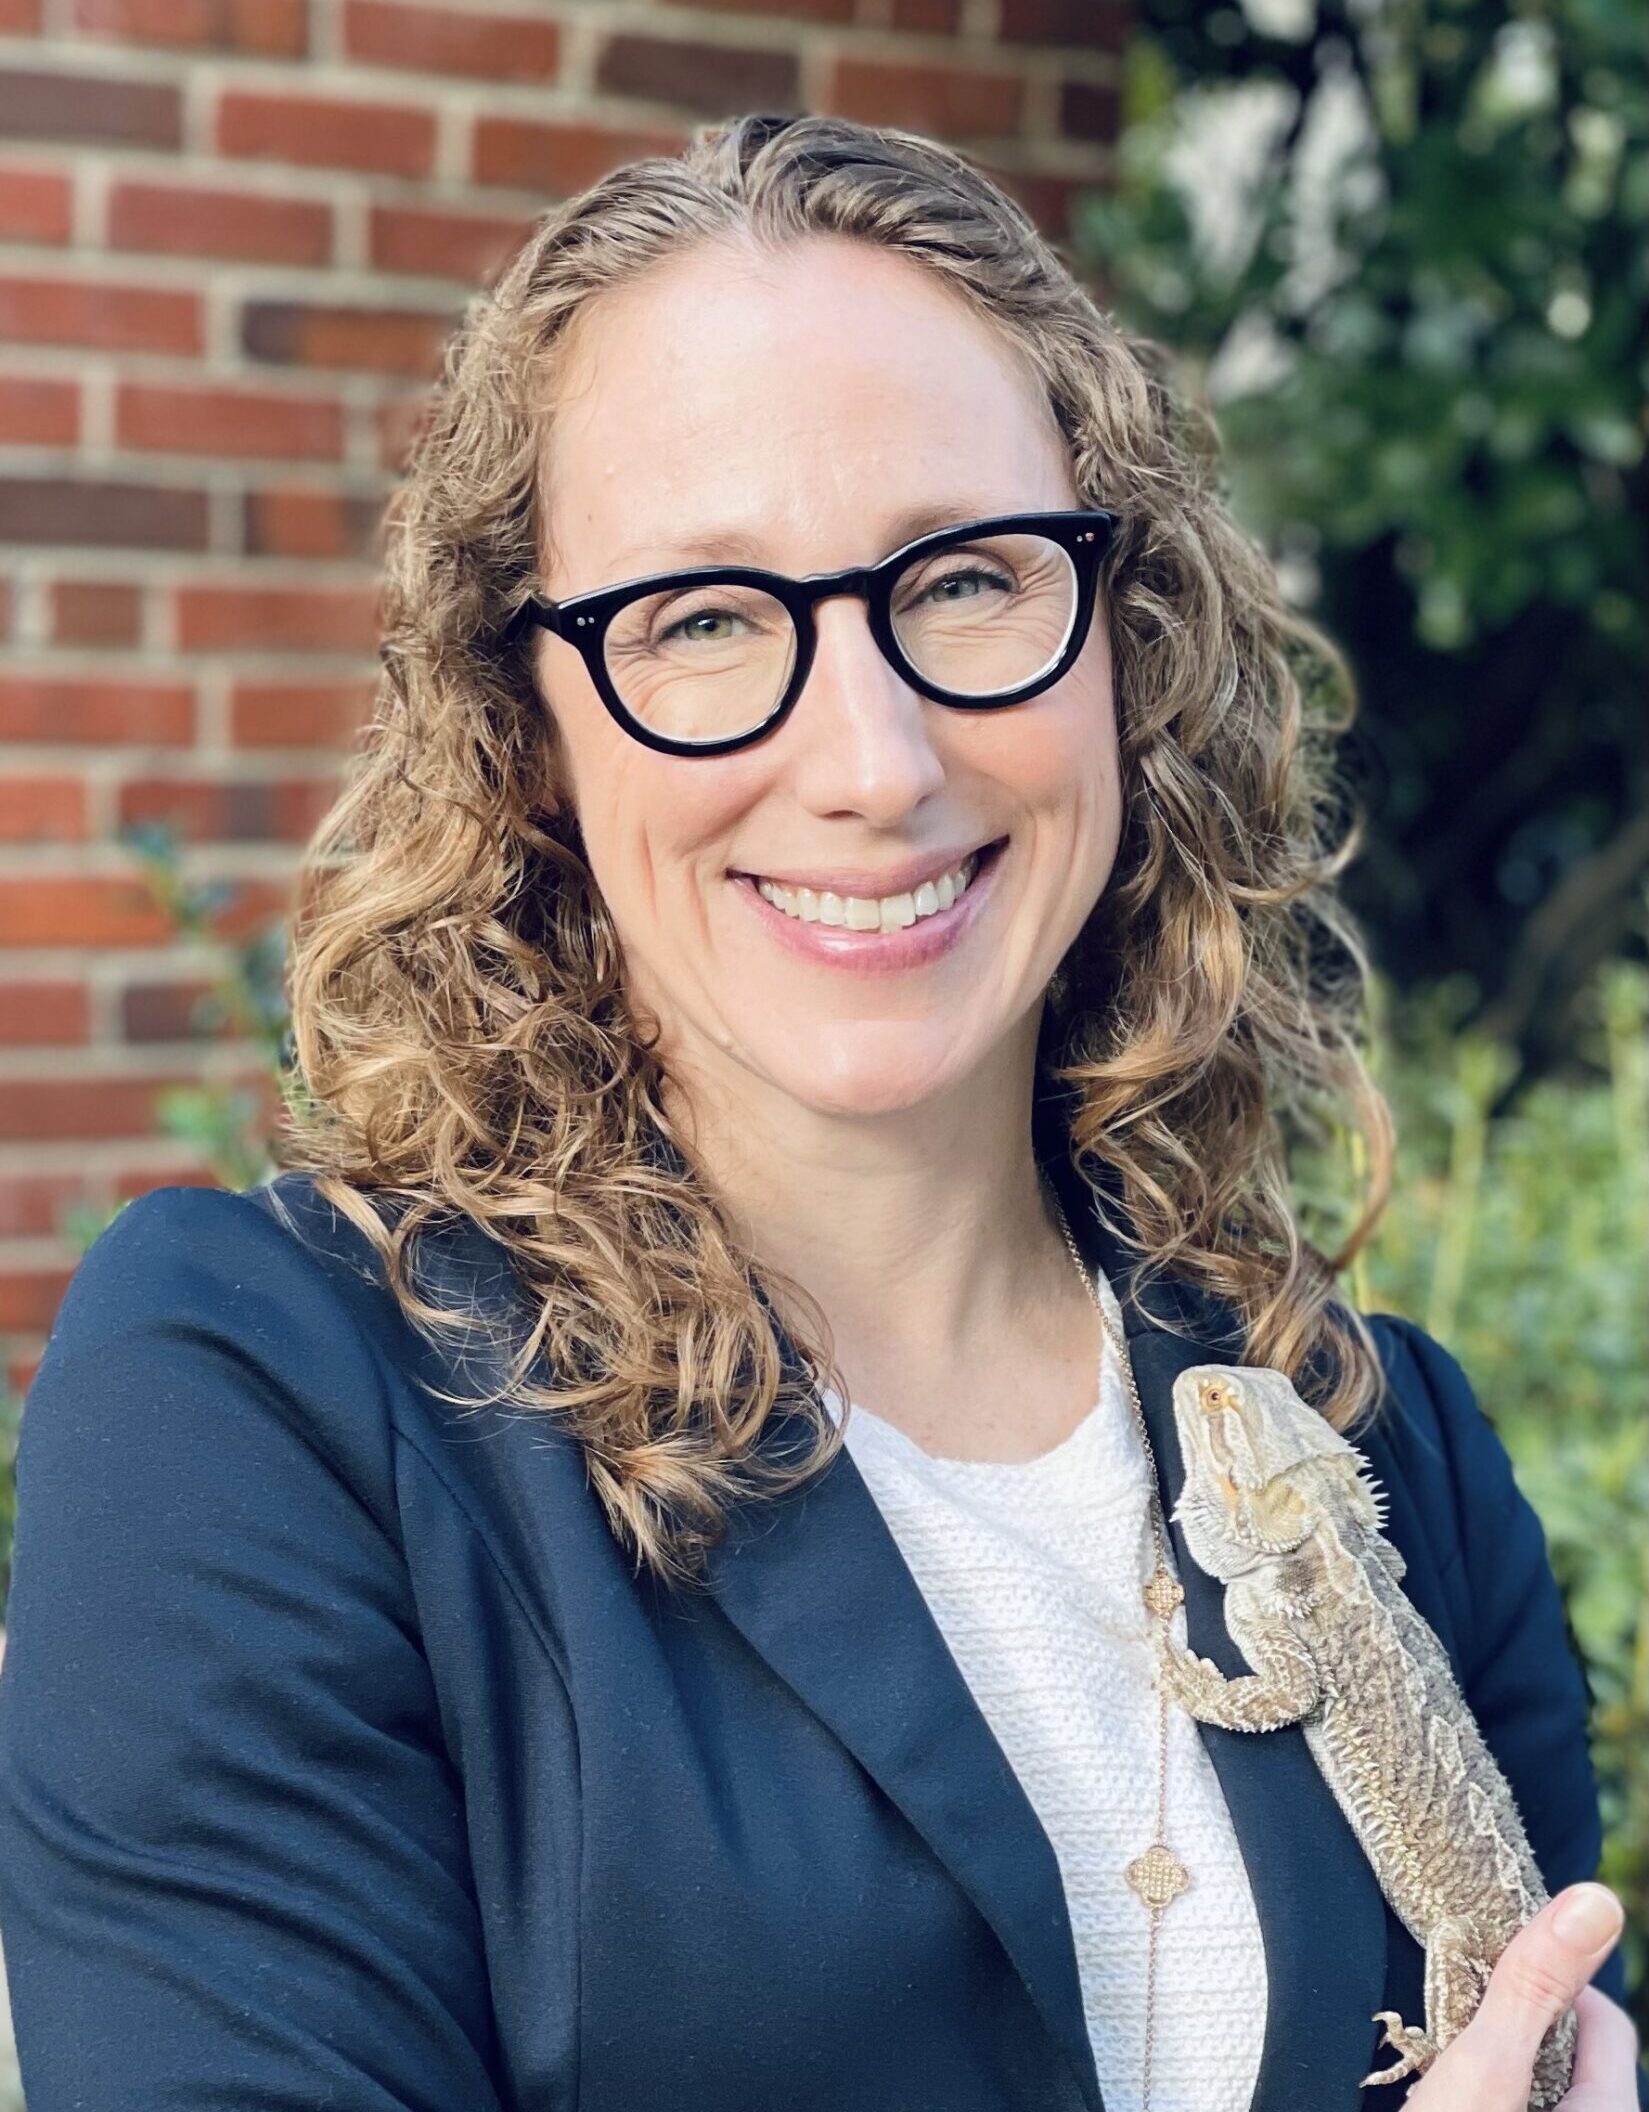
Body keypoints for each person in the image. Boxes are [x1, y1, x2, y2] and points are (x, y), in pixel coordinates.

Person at [0, 111, 1639, 2112]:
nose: (871, 759)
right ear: (527, 735)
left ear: (1121, 649)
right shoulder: (277, 1406)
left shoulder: (1395, 1456)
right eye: (702, 619)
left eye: (960, 580)